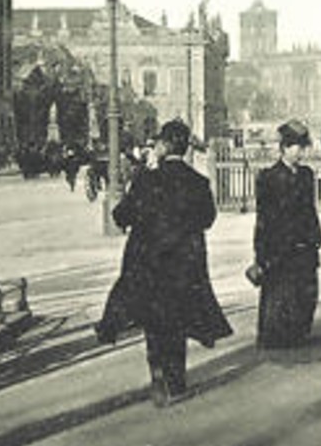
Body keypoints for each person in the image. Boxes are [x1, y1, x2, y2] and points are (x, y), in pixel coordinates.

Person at [96, 119, 233, 407]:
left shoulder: (146, 180)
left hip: (148, 265)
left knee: (154, 322)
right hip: (184, 266)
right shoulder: (199, 182)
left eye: (159, 142)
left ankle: (157, 375)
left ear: (166, 146)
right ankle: (176, 381)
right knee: (178, 323)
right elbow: (207, 219)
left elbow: (121, 216)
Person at [252, 119, 321, 349]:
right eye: (297, 148)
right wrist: (261, 251)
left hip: (304, 242)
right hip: (279, 243)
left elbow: (310, 208)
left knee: (305, 289)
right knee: (279, 291)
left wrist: (316, 236)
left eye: (303, 147)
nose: (301, 152)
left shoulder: (306, 174)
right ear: (284, 148)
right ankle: (274, 336)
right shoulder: (268, 177)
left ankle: (299, 332)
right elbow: (264, 217)